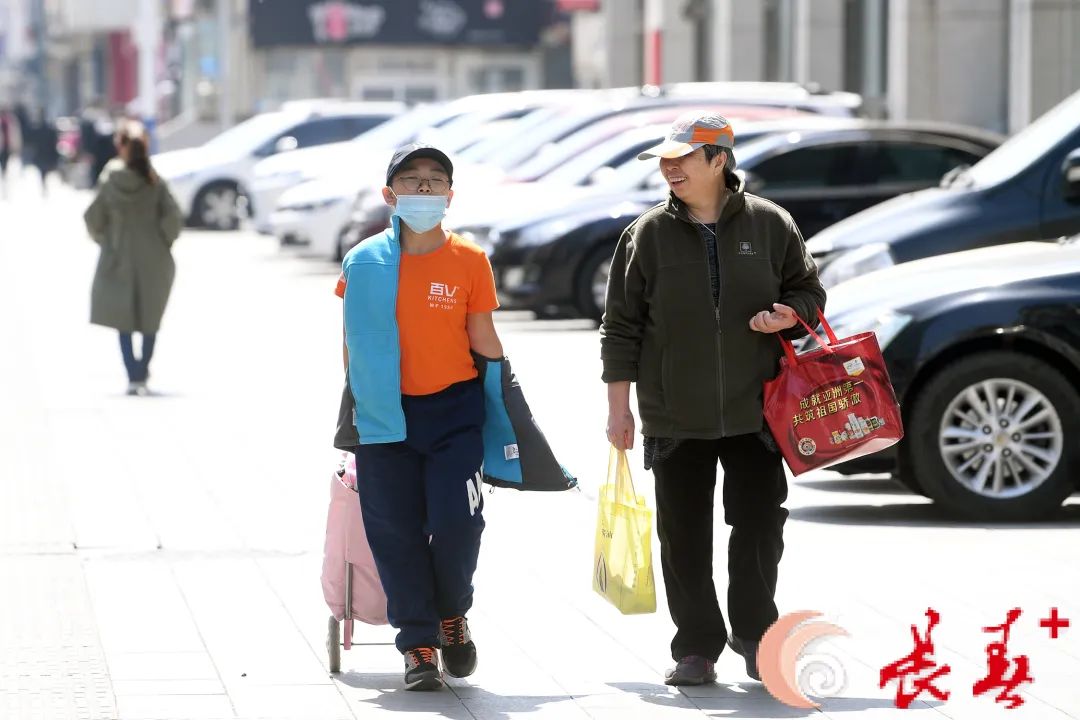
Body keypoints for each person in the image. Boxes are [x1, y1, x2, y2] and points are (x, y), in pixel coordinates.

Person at [600, 112, 827, 687]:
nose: (669, 168)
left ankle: (754, 635)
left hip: (758, 409)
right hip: (674, 413)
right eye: (664, 161)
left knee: (757, 526)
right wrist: (618, 409)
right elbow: (620, 326)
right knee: (683, 533)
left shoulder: (772, 224)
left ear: (719, 160)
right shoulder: (646, 234)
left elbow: (808, 289)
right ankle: (696, 646)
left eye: (682, 159)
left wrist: (790, 313)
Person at [336, 143, 504, 691]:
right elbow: (352, 343)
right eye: (412, 180)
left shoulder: (469, 261)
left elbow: (483, 337)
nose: (425, 189)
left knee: (460, 524)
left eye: (436, 180)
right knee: (394, 532)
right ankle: (419, 645)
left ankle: (452, 614)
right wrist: (353, 413)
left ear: (450, 196)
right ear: (390, 195)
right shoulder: (362, 261)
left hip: (454, 410)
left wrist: (510, 407)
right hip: (384, 417)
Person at [84, 120, 183, 396]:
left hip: (118, 256)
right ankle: (143, 370)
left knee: (123, 317)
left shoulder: (110, 178)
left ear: (121, 146)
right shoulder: (153, 179)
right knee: (151, 316)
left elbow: (93, 218)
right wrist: (163, 240)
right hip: (154, 258)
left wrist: (105, 241)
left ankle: (132, 374)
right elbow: (173, 218)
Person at [29, 109, 59, 196]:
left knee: (42, 172)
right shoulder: (49, 129)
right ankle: (44, 185)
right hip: (46, 153)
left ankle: (44, 185)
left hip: (41, 153)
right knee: (44, 171)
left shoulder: (36, 129)